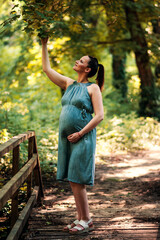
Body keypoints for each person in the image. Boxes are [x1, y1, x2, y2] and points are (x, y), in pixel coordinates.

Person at [41, 37, 104, 235]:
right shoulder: (68, 83)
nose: (77, 61)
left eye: (81, 61)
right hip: (67, 139)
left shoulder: (92, 88)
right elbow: (47, 70)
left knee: (78, 179)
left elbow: (100, 115)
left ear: (87, 69)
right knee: (72, 180)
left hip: (82, 138)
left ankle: (86, 219)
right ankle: (81, 218)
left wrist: (80, 133)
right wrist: (44, 44)